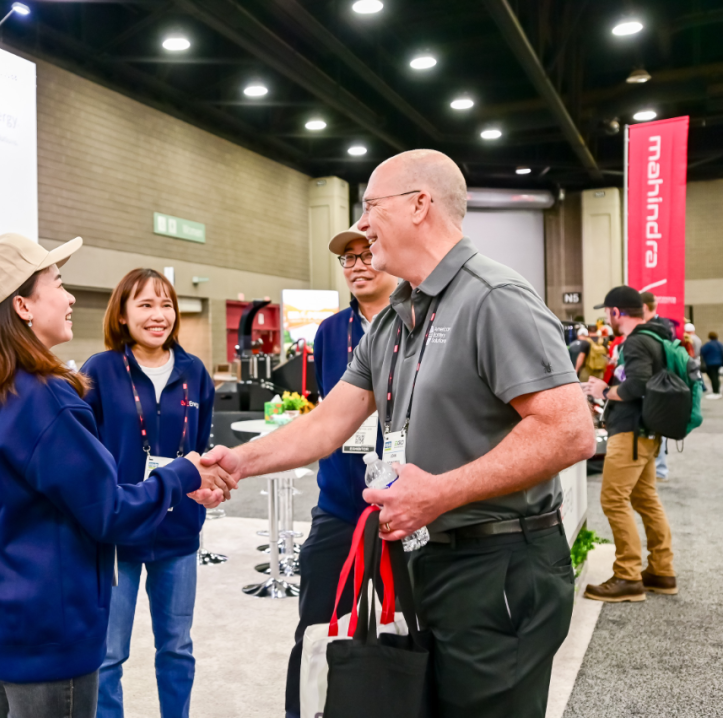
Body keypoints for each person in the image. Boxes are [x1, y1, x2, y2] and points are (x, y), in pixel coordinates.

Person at [203, 149, 596, 718]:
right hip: (424, 559)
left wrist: (441, 493)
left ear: (419, 205)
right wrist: (240, 462)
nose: (362, 225)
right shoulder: (395, 317)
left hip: (499, 566)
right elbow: (328, 422)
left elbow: (569, 431)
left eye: (371, 207)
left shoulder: (493, 297)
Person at [0, 234, 230, 718]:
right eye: (59, 284)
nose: (70, 298)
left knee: (175, 644)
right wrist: (183, 474)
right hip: (49, 632)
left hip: (10, 624)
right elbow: (109, 512)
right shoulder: (49, 401)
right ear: (22, 305)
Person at [80, 268, 216, 718]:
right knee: (108, 654)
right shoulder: (99, 371)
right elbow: (84, 452)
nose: (159, 315)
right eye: (145, 305)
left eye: (166, 305)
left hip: (179, 530)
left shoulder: (195, 372)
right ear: (122, 314)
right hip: (118, 530)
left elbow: (201, 449)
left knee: (176, 646)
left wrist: (207, 487)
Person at [283, 226, 398, 718]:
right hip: (337, 505)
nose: (357, 265)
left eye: (366, 254)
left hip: (407, 508)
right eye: (348, 258)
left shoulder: (419, 321)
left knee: (405, 629)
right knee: (316, 627)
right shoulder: (330, 332)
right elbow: (324, 415)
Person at [583, 286, 677, 602]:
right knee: (646, 499)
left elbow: (636, 385)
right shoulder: (656, 337)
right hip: (647, 431)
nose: (607, 318)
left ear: (616, 312)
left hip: (631, 433)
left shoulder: (636, 341)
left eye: (607, 312)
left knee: (613, 499)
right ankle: (662, 571)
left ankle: (628, 576)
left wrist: (604, 391)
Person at [640, 292, 672, 480]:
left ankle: (659, 469)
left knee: (657, 427)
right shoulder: (664, 325)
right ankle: (657, 468)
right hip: (658, 383)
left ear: (644, 307)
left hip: (657, 384)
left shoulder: (657, 327)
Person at [703, 331, 723, 398]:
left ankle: (715, 392)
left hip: (710, 363)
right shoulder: (719, 344)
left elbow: (702, 351)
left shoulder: (708, 345)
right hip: (718, 363)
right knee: (716, 377)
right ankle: (717, 391)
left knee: (713, 377)